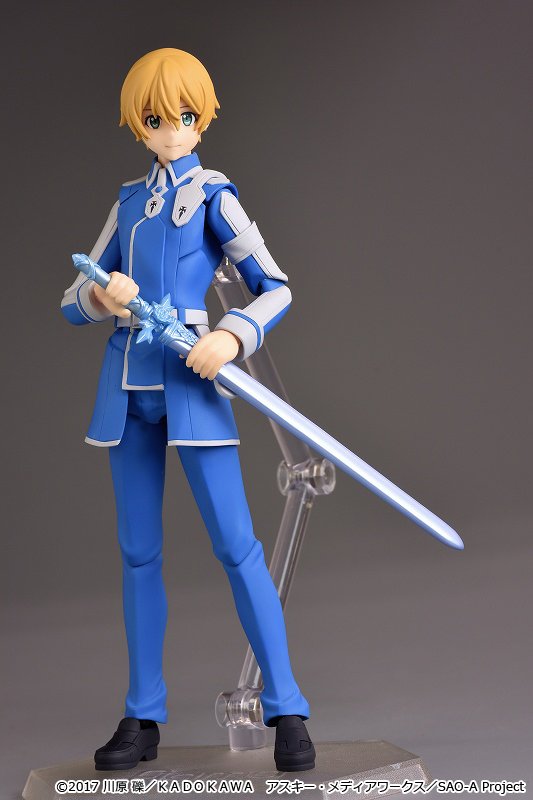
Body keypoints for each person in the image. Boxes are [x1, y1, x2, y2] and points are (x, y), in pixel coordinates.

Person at [61, 48, 315, 773]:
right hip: (128, 392)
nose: (170, 129)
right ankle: (143, 714)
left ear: (202, 118)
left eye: (183, 115)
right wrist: (100, 294)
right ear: (136, 124)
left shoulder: (213, 197)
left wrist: (230, 337)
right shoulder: (126, 203)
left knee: (237, 547)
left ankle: (286, 706)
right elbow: (71, 301)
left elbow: (274, 285)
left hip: (194, 383)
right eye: (154, 118)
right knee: (138, 553)